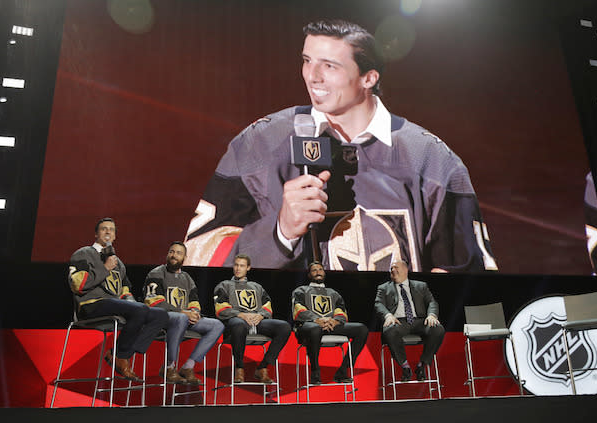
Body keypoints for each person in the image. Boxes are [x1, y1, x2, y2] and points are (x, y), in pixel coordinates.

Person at [183, 19, 497, 273]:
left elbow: (470, 278)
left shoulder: (432, 161)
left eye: (329, 66)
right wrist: (280, 232)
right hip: (293, 345)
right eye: (307, 61)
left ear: (368, 78)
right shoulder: (258, 145)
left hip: (391, 345)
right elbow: (196, 260)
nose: (312, 77)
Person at [68, 217, 169, 382]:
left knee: (160, 316)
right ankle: (121, 356)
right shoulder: (84, 253)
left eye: (112, 229)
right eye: (103, 228)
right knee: (140, 310)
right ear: (96, 234)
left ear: (115, 236)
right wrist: (105, 267)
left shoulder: (118, 262)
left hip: (115, 306)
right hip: (91, 305)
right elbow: (78, 285)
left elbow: (124, 290)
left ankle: (120, 354)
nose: (108, 232)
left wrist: (130, 301)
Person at [143, 241, 224, 384]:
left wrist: (195, 313)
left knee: (217, 325)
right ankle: (169, 367)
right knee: (180, 318)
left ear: (184, 258)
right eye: (171, 252)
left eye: (178, 253)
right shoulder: (156, 273)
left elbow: (194, 301)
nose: (174, 255)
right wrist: (183, 312)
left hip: (184, 319)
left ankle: (188, 367)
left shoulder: (187, 278)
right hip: (161, 318)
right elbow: (154, 302)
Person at [213, 253, 291, 383]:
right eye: (236, 265)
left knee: (284, 327)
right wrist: (241, 315)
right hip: (236, 323)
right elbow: (220, 308)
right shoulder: (224, 285)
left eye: (242, 266)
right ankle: (239, 368)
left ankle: (263, 367)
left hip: (256, 322)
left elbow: (267, 306)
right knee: (238, 324)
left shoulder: (257, 287)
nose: (238, 268)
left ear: (248, 268)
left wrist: (260, 315)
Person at [292, 261, 368, 384]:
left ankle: (343, 371)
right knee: (314, 329)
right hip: (308, 327)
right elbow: (298, 310)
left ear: (324, 273)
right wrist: (317, 320)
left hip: (331, 325)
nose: (318, 272)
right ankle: (315, 371)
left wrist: (335, 321)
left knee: (361, 329)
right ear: (309, 275)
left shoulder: (333, 293)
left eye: (320, 269)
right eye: (314, 270)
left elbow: (341, 311)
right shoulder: (300, 290)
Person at [374, 260, 445, 381]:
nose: (392, 270)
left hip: (419, 321)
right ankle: (405, 366)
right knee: (389, 330)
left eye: (395, 267)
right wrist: (388, 315)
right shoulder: (384, 288)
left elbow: (432, 302)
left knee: (437, 329)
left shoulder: (421, 286)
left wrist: (432, 315)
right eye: (391, 268)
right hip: (398, 322)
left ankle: (422, 364)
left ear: (405, 269)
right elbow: (378, 304)